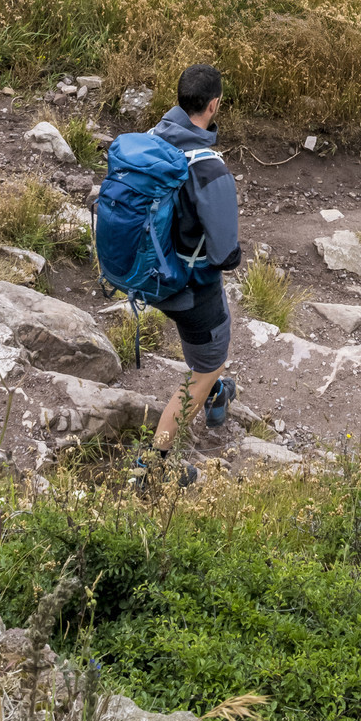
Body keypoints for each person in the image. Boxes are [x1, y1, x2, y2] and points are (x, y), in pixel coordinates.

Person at [141, 62, 240, 473]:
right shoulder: (209, 168)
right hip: (191, 288)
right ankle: (151, 464)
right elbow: (225, 256)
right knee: (206, 363)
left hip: (145, 273)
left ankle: (217, 396)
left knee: (202, 350)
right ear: (213, 105)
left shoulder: (147, 141)